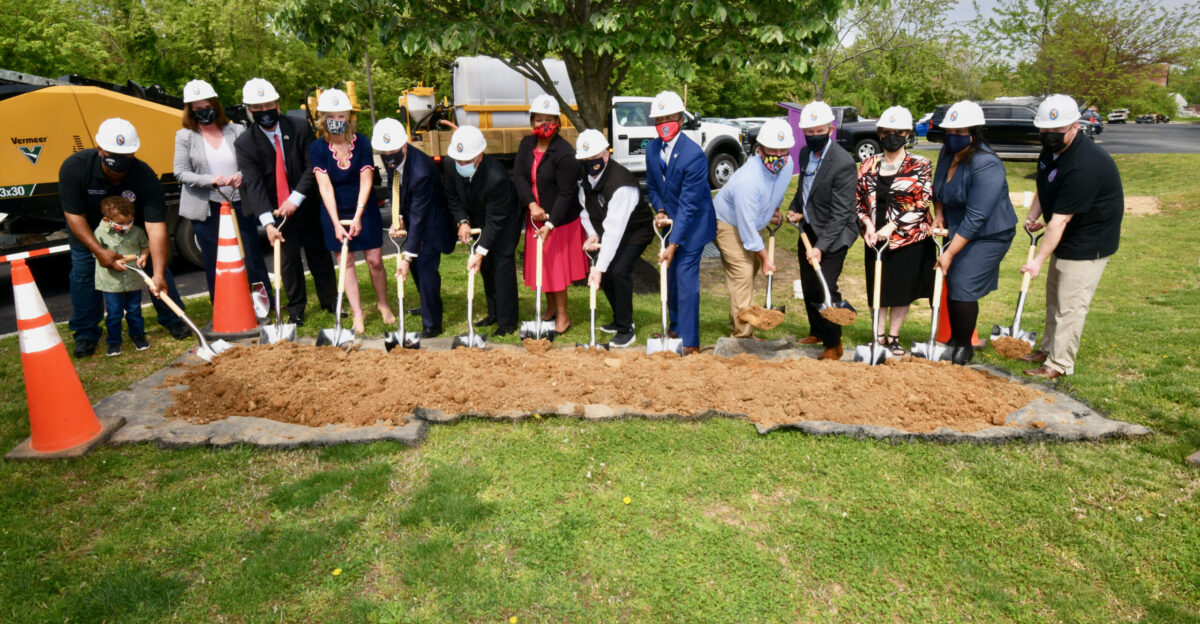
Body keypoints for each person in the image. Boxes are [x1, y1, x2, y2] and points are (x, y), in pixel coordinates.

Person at [60, 117, 191, 358]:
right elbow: (74, 215)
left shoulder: (144, 175)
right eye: (113, 154)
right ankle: (86, 333)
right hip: (90, 234)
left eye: (127, 155)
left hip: (134, 232)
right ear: (100, 149)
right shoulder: (75, 168)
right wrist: (99, 251)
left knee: (159, 271)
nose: (120, 161)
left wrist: (158, 272)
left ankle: (174, 319)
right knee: (83, 274)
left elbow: (155, 227)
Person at [1019, 94, 1123, 379]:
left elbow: (1062, 220)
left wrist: (1038, 260)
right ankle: (1047, 349)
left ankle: (1059, 364)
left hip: (1090, 240)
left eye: (1057, 131)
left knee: (1070, 304)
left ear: (1075, 127)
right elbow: (1043, 184)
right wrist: (1033, 214)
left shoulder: (1085, 166)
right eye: (1045, 131)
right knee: (1054, 299)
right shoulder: (1051, 150)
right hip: (1064, 232)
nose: (1050, 136)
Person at [234, 77, 338, 328]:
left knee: (319, 256)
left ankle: (330, 301)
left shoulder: (300, 127)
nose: (264, 112)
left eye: (268, 105)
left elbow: (312, 165)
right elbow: (254, 185)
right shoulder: (245, 143)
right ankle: (297, 309)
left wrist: (295, 199)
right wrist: (269, 224)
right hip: (277, 211)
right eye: (257, 108)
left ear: (278, 105)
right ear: (249, 111)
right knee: (288, 262)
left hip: (306, 204)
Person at [931, 100, 1017, 365]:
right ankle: (955, 339)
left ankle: (964, 346)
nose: (954, 137)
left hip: (989, 234)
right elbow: (939, 189)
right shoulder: (948, 153)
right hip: (956, 227)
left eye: (960, 132)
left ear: (975, 132)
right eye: (950, 132)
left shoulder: (986, 164)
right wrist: (939, 213)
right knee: (954, 283)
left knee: (963, 285)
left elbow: (977, 217)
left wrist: (950, 253)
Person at [173, 79, 271, 303]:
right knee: (215, 258)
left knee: (251, 254)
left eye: (206, 108)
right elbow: (180, 172)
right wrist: (210, 180)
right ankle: (224, 305)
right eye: (197, 109)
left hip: (238, 202)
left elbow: (250, 163)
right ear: (190, 112)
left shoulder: (236, 130)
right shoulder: (185, 137)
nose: (203, 113)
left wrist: (240, 175)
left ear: (215, 106)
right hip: (207, 207)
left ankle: (262, 303)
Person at [309, 88, 391, 334]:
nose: (337, 121)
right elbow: (325, 188)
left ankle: (383, 304)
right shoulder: (318, 149)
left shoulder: (363, 143)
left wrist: (357, 216)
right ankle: (358, 313)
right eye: (332, 116)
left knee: (375, 260)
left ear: (349, 118)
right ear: (324, 119)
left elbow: (367, 181)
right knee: (346, 262)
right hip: (334, 210)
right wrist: (336, 222)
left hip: (363, 207)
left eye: (342, 116)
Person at [855, 106, 935, 355]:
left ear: (908, 133)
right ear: (880, 134)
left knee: (900, 290)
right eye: (887, 131)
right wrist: (867, 225)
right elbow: (858, 201)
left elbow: (922, 202)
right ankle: (877, 336)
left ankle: (894, 337)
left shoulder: (920, 164)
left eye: (898, 131)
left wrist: (892, 226)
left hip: (907, 239)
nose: (893, 136)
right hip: (874, 238)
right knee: (877, 288)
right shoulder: (868, 164)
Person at [644, 90, 717, 355]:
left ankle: (690, 341)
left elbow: (689, 205)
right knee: (671, 277)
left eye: (669, 117)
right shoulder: (652, 149)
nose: (664, 122)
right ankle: (675, 327)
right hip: (671, 221)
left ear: (681, 120)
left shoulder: (693, 155)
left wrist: (673, 245)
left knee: (685, 278)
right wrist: (660, 209)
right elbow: (652, 186)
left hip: (694, 224)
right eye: (659, 118)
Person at [786, 101, 858, 361]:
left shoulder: (843, 163)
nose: (814, 136)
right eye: (810, 132)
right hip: (810, 227)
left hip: (836, 233)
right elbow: (804, 189)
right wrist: (796, 209)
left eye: (820, 131)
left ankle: (834, 343)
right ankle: (816, 330)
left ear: (830, 129)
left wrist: (820, 247)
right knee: (809, 284)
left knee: (825, 283)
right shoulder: (805, 154)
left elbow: (841, 214)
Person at [373, 118, 456, 337]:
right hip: (415, 219)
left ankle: (432, 324)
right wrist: (397, 216)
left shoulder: (422, 171)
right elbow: (394, 186)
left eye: (392, 150)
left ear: (404, 145)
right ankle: (428, 306)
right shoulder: (394, 162)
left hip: (431, 224)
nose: (387, 155)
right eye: (383, 151)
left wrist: (407, 258)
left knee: (426, 270)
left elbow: (420, 217)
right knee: (419, 271)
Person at [512, 94, 587, 335]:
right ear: (532, 121)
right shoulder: (526, 144)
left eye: (550, 119)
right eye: (539, 119)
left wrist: (551, 222)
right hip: (535, 216)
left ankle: (563, 316)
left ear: (558, 122)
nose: (544, 124)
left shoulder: (565, 153)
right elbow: (520, 177)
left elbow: (566, 194)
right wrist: (532, 205)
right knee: (540, 267)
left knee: (554, 269)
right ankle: (551, 307)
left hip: (559, 220)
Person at [712, 118, 794, 338]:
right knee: (743, 272)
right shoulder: (748, 181)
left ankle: (739, 325)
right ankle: (741, 336)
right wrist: (766, 258)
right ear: (760, 150)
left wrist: (773, 210)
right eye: (772, 150)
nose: (778, 155)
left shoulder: (788, 165)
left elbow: (778, 189)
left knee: (752, 266)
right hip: (726, 222)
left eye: (783, 150)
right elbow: (747, 230)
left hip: (749, 219)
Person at [575, 129, 655, 348]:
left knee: (618, 270)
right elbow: (585, 211)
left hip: (636, 231)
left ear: (606, 155)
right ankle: (618, 318)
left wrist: (598, 269)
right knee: (609, 270)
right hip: (610, 229)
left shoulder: (622, 184)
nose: (590, 164)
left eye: (594, 158)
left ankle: (627, 329)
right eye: (585, 160)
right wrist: (591, 233)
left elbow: (614, 230)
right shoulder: (586, 179)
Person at [445, 125, 522, 335]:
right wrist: (462, 221)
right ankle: (494, 313)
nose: (461, 164)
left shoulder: (497, 178)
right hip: (479, 215)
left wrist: (480, 252)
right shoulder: (451, 165)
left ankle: (507, 322)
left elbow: (496, 221)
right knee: (486, 269)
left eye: (466, 161)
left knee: (501, 266)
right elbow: (452, 197)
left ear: (480, 155)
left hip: (505, 221)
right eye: (458, 160)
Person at [93, 197, 150, 356]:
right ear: (107, 220)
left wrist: (144, 256)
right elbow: (97, 254)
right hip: (112, 282)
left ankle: (138, 336)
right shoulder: (100, 233)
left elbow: (145, 247)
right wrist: (111, 263)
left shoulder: (137, 231)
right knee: (114, 313)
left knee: (134, 310)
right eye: (121, 223)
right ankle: (114, 341)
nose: (126, 226)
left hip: (133, 280)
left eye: (129, 221)